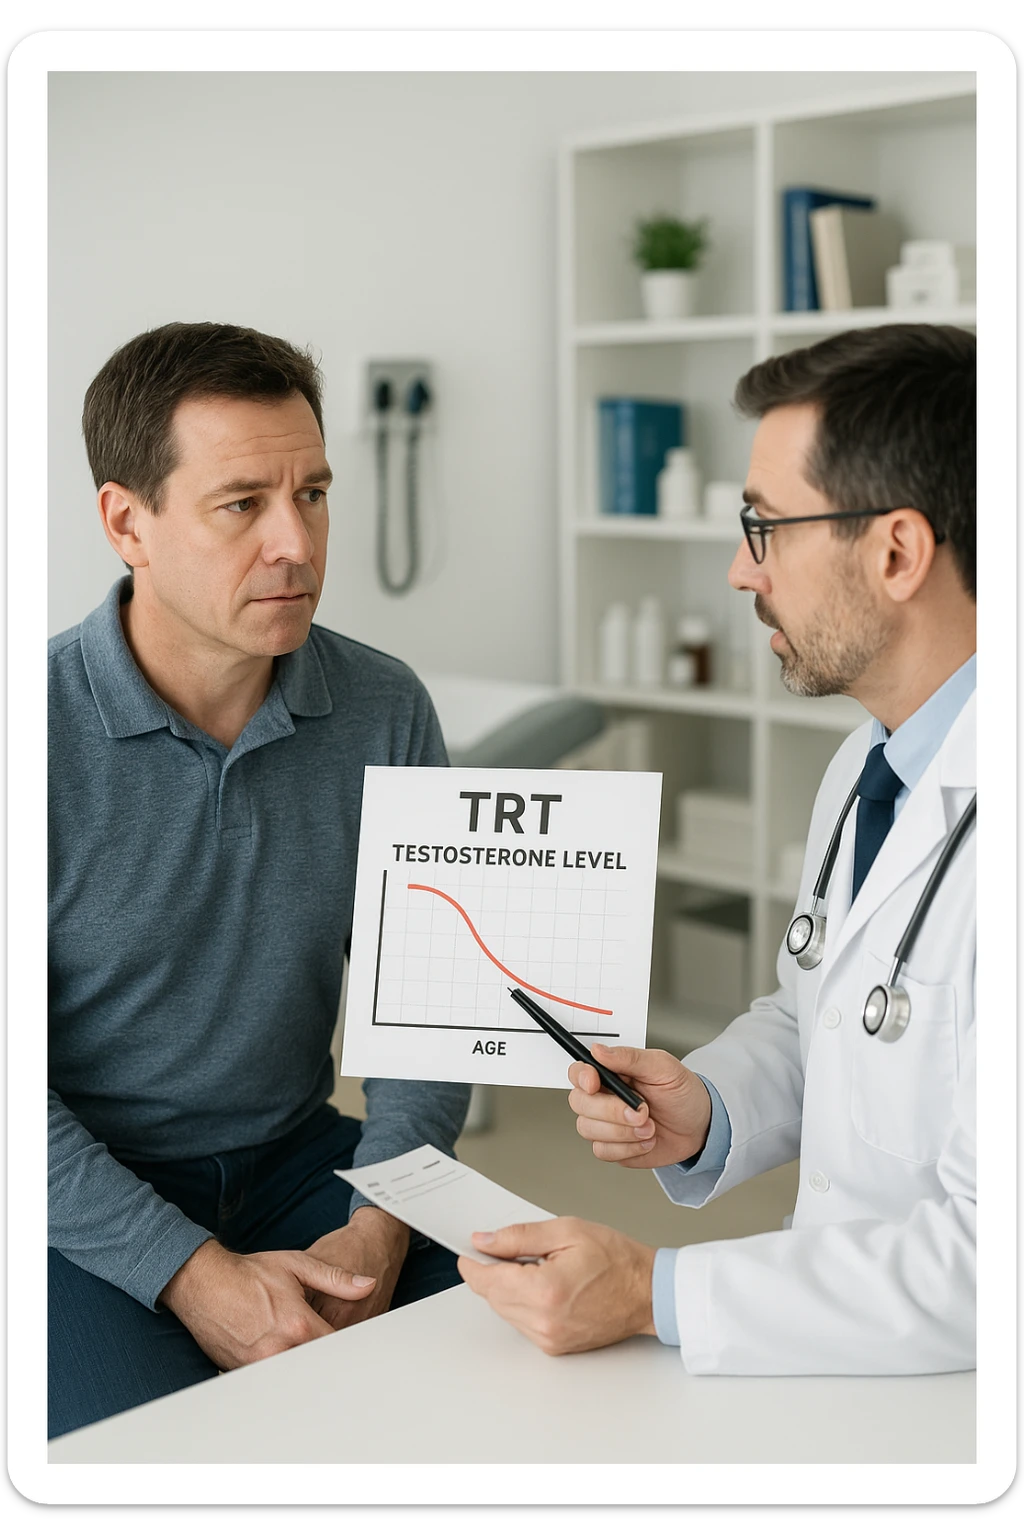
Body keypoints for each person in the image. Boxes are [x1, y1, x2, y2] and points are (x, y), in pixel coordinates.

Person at [458, 323, 977, 1375]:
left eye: (765, 527)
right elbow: (822, 1009)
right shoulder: (872, 763)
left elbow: (983, 1264)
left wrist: (655, 1292)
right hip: (849, 1350)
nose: (741, 573)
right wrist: (705, 1111)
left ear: (895, 551)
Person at [48, 321, 471, 1439]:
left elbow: (427, 1025)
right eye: (243, 505)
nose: (296, 541)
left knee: (521, 1374)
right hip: (75, 1195)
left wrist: (380, 1217)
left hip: (301, 1158)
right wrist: (189, 1273)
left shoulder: (384, 708)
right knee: (164, 1453)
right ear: (127, 522)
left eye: (316, 494)